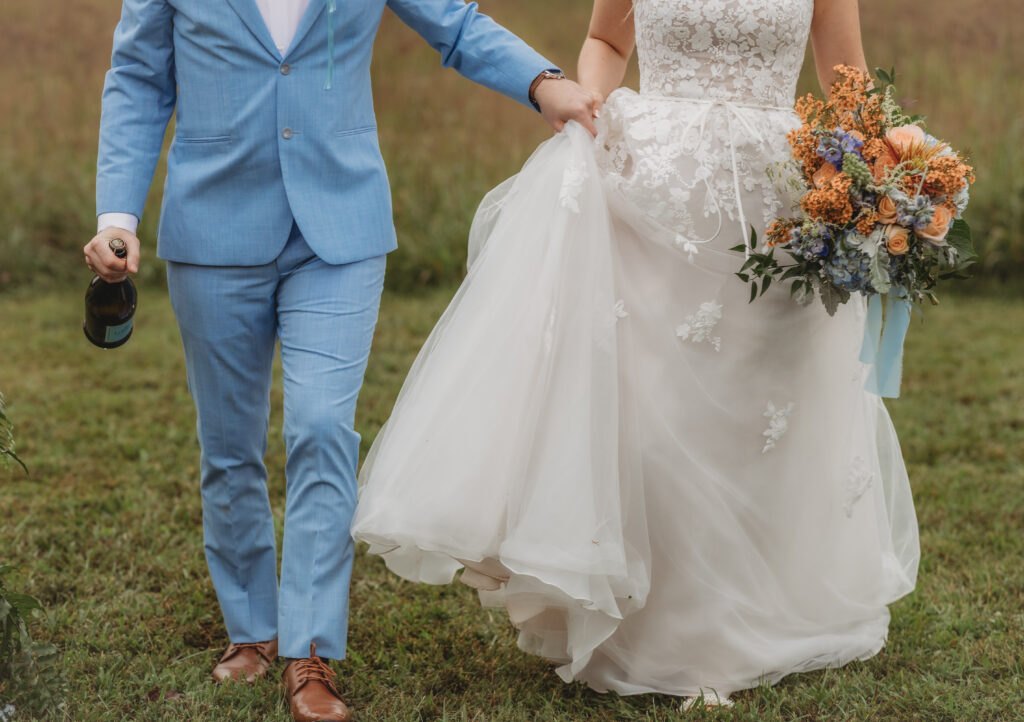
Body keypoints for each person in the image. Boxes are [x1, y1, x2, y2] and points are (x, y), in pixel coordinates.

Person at [352, 0, 920, 707]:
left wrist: (890, 176)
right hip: (657, 184)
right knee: (660, 410)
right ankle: (667, 632)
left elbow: (847, 84)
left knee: (758, 413)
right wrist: (591, 119)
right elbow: (603, 39)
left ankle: (758, 613)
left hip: (779, 200)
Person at [82, 1, 598, 719]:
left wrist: (546, 83)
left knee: (323, 428)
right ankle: (251, 632)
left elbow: (456, 24)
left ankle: (309, 651)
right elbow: (138, 79)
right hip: (211, 229)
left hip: (340, 227)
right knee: (229, 445)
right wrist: (117, 218)